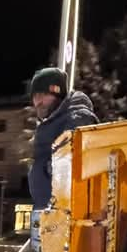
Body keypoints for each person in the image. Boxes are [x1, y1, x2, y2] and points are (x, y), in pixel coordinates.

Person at [27, 67, 98, 210]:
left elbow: (72, 161)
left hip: (66, 212)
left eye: (41, 95)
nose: (37, 102)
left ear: (56, 92)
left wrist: (48, 169)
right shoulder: (53, 122)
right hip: (50, 212)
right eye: (35, 97)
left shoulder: (77, 117)